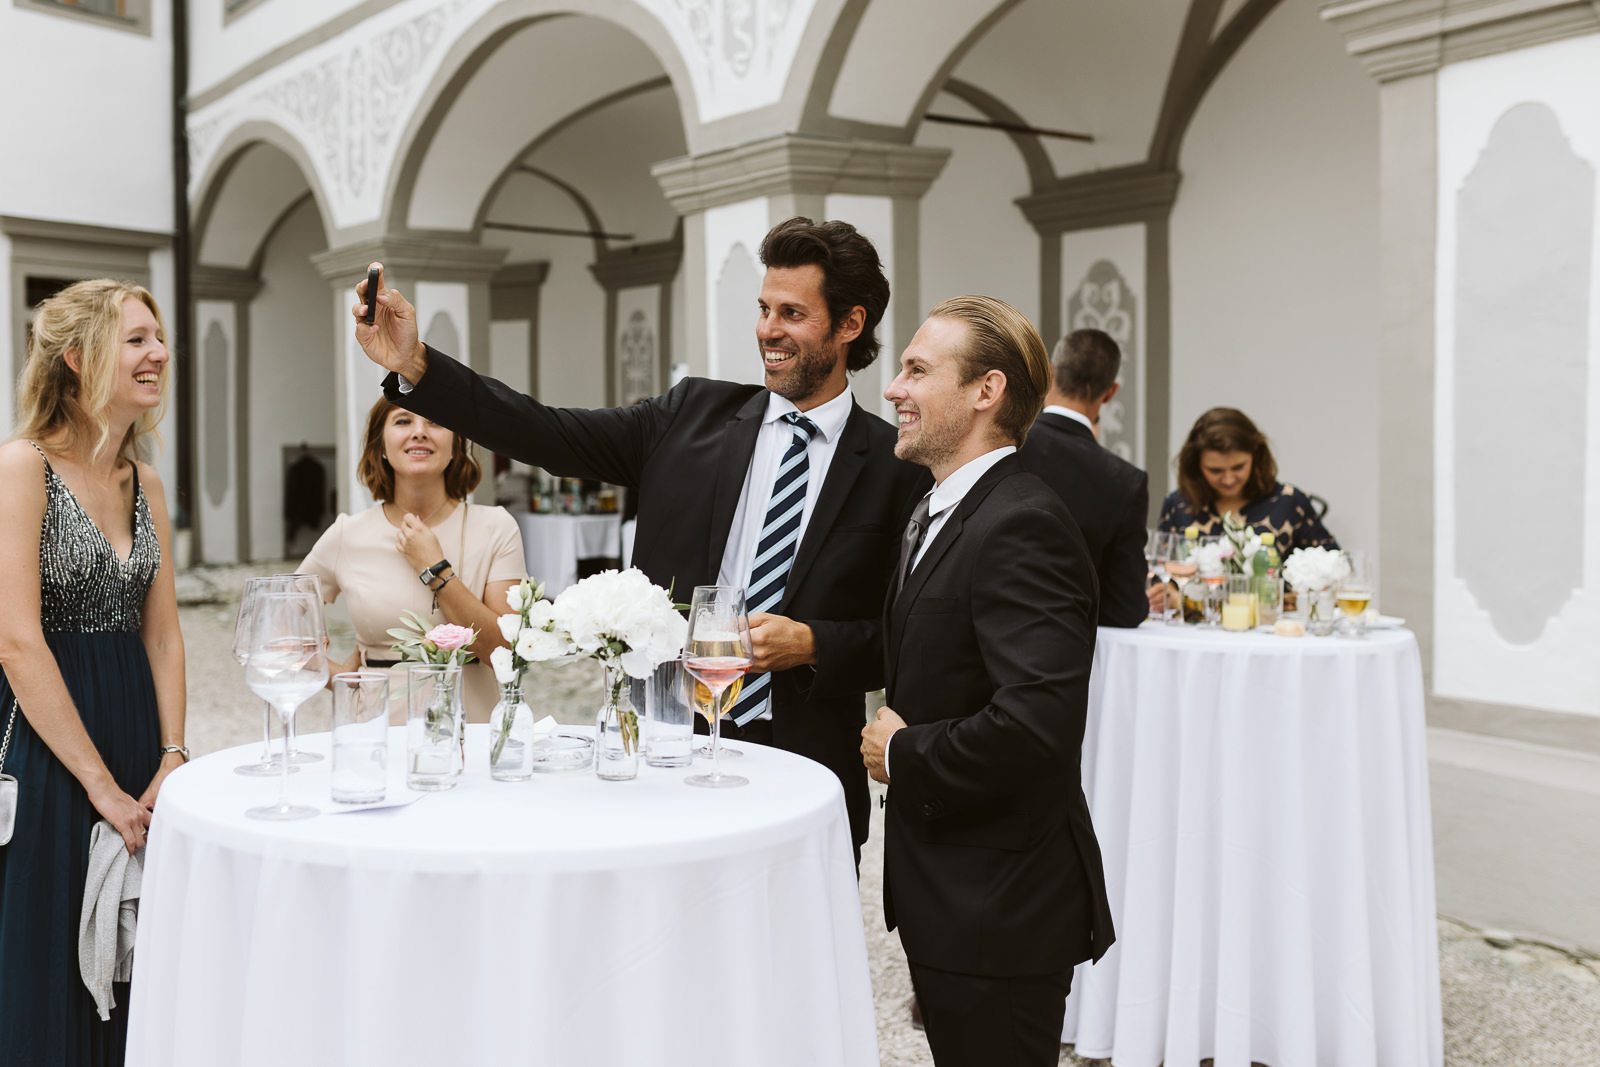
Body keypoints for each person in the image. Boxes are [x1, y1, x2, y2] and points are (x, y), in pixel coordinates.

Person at [353, 217, 929, 857]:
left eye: (792, 313)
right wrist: (416, 365)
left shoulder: (897, 465)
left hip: (802, 757)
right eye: (764, 309)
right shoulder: (689, 415)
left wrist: (816, 643)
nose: (768, 330)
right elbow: (544, 431)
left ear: (850, 325)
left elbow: (907, 634)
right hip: (657, 742)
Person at [862, 296, 1114, 1066]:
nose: (893, 388)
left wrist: (903, 754)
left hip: (1002, 904)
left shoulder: (1020, 522)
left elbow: (1037, 724)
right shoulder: (942, 508)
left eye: (916, 369)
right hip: (958, 893)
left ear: (986, 391)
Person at [0, 280, 188, 1064]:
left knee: (132, 951)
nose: (158, 353)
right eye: (137, 339)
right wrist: (100, 786)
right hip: (54, 748)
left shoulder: (147, 484)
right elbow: (14, 641)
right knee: (50, 954)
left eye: (158, 337)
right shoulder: (22, 467)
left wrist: (172, 755)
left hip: (138, 737)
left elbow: (166, 635)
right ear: (78, 359)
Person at [298, 397, 525, 721]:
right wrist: (336, 678)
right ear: (381, 447)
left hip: (474, 733)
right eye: (403, 421)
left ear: (456, 444)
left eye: (435, 421)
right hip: (378, 731)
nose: (419, 432)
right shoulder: (346, 534)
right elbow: (277, 627)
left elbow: (507, 651)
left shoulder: (496, 527)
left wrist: (436, 570)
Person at [1018, 328, 1149, 627]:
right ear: (1111, 391)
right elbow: (1125, 607)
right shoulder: (1125, 481)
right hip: (1064, 641)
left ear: (1050, 374)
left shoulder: (1003, 442)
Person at [1159, 407, 1339, 554]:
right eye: (1215, 470)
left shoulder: (1290, 503)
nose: (1228, 479)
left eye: (1238, 467)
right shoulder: (1178, 505)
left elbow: (1336, 567)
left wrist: (1293, 595)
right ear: (1196, 462)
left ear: (1255, 453)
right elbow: (1159, 573)